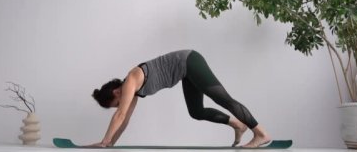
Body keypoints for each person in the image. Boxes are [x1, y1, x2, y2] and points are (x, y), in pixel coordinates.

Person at [90, 50, 270, 148]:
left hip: (189, 61)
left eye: (116, 104)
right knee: (196, 111)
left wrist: (104, 141)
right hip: (185, 73)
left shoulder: (130, 80)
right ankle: (238, 124)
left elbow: (120, 116)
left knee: (223, 99)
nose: (119, 107)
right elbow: (125, 120)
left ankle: (261, 134)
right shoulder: (135, 92)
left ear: (116, 93)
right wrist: (110, 144)